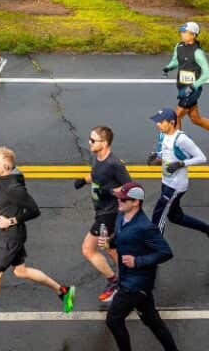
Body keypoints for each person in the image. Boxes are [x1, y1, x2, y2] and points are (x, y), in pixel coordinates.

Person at [0, 146, 76, 335]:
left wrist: (10, 220)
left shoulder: (15, 188)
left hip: (11, 237)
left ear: (5, 165)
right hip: (10, 235)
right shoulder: (1, 179)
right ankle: (63, 291)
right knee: (21, 272)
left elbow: (35, 210)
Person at [104, 182, 181, 351]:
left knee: (113, 320)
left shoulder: (145, 227)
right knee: (152, 321)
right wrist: (109, 242)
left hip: (135, 285)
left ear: (135, 202)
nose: (120, 202)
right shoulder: (121, 216)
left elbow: (166, 252)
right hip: (128, 279)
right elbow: (120, 238)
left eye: (124, 200)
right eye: (120, 198)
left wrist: (137, 261)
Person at [148, 108, 209, 250]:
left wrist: (181, 164)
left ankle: (156, 250)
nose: (157, 124)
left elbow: (202, 158)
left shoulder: (181, 139)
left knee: (159, 213)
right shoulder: (162, 136)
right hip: (166, 182)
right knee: (175, 217)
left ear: (171, 122)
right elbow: (162, 156)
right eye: (157, 122)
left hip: (176, 186)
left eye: (160, 122)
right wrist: (154, 160)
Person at [74, 126, 132, 303]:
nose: (89, 143)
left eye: (93, 140)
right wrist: (84, 180)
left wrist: (109, 191)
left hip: (109, 213)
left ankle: (116, 282)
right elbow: (96, 174)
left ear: (104, 143)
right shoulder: (96, 157)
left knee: (88, 249)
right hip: (100, 210)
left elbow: (130, 189)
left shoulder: (114, 164)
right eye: (89, 139)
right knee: (111, 247)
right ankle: (128, 279)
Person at [162, 21, 209, 155]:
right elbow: (176, 61)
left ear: (193, 35)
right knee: (195, 118)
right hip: (182, 87)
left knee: (175, 116)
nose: (182, 34)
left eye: (185, 32)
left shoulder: (197, 52)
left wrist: (193, 87)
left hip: (192, 90)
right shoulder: (178, 46)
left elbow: (207, 74)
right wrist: (168, 67)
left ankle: (177, 148)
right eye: (182, 32)